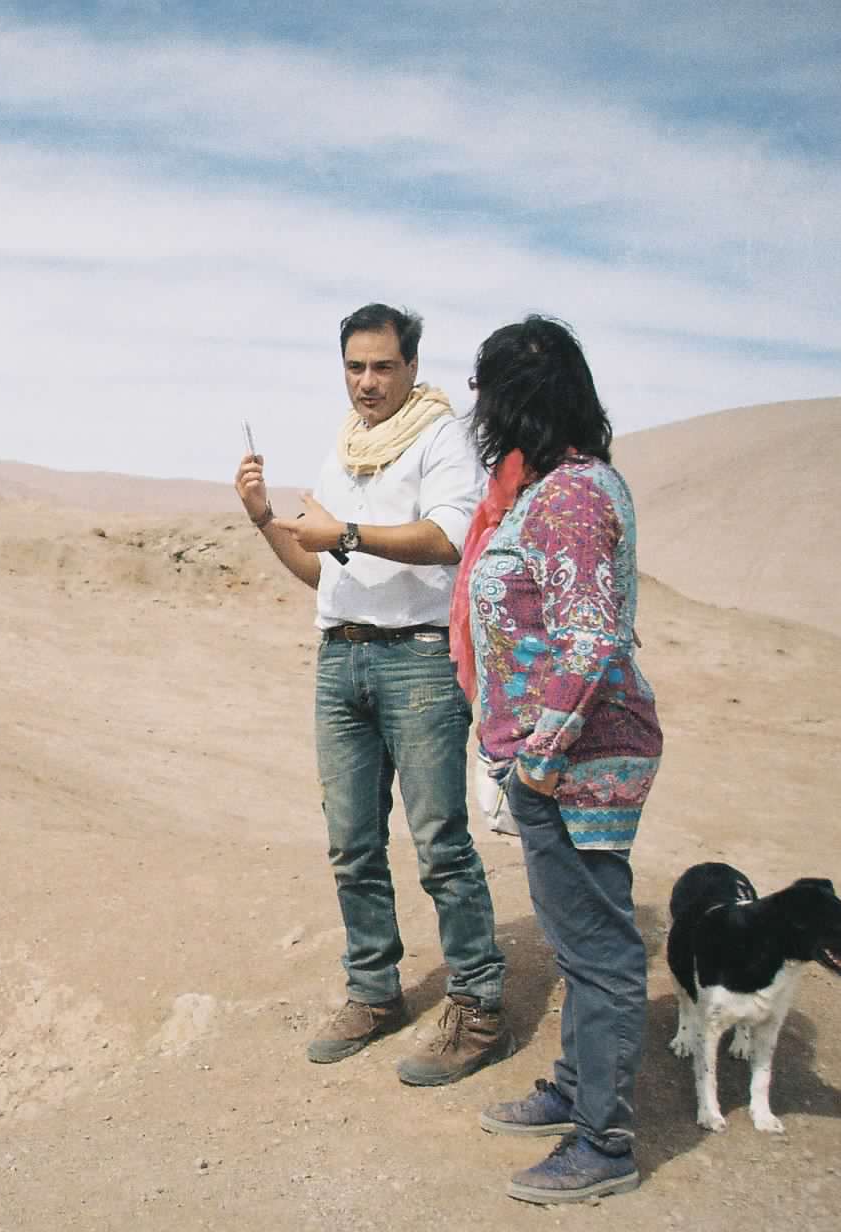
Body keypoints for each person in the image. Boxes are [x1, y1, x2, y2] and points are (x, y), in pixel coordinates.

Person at [235, 303, 510, 1087]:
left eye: (383, 366)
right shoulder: (344, 451)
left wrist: (347, 531)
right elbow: (325, 575)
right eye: (355, 366)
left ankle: (480, 1003)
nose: (367, 381)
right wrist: (266, 523)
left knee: (440, 845)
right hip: (342, 661)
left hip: (419, 663)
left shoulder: (442, 438)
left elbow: (450, 536)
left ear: (412, 366)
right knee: (352, 844)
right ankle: (373, 990)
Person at [450, 315, 662, 1204]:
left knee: (601, 949)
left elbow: (589, 637)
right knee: (579, 944)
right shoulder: (555, 488)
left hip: (575, 766)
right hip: (556, 763)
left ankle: (605, 1143)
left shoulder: (571, 496)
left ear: (512, 400)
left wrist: (536, 759)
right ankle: (576, 1089)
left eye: (485, 391)